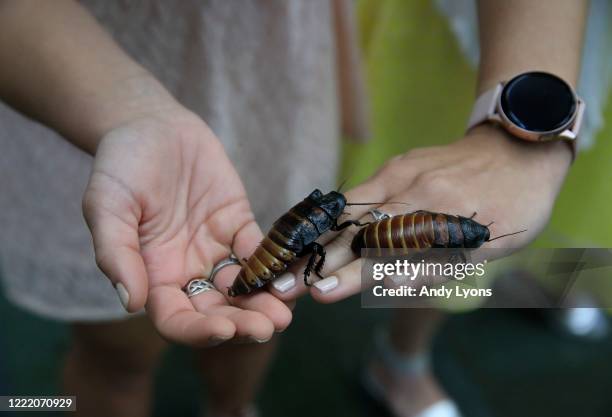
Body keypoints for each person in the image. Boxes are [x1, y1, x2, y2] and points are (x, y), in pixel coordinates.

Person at [0, 1, 591, 417]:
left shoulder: (323, 220)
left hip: (281, 84)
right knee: (118, 352)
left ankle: (232, 406)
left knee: (250, 335)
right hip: (66, 83)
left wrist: (520, 121)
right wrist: (126, 113)